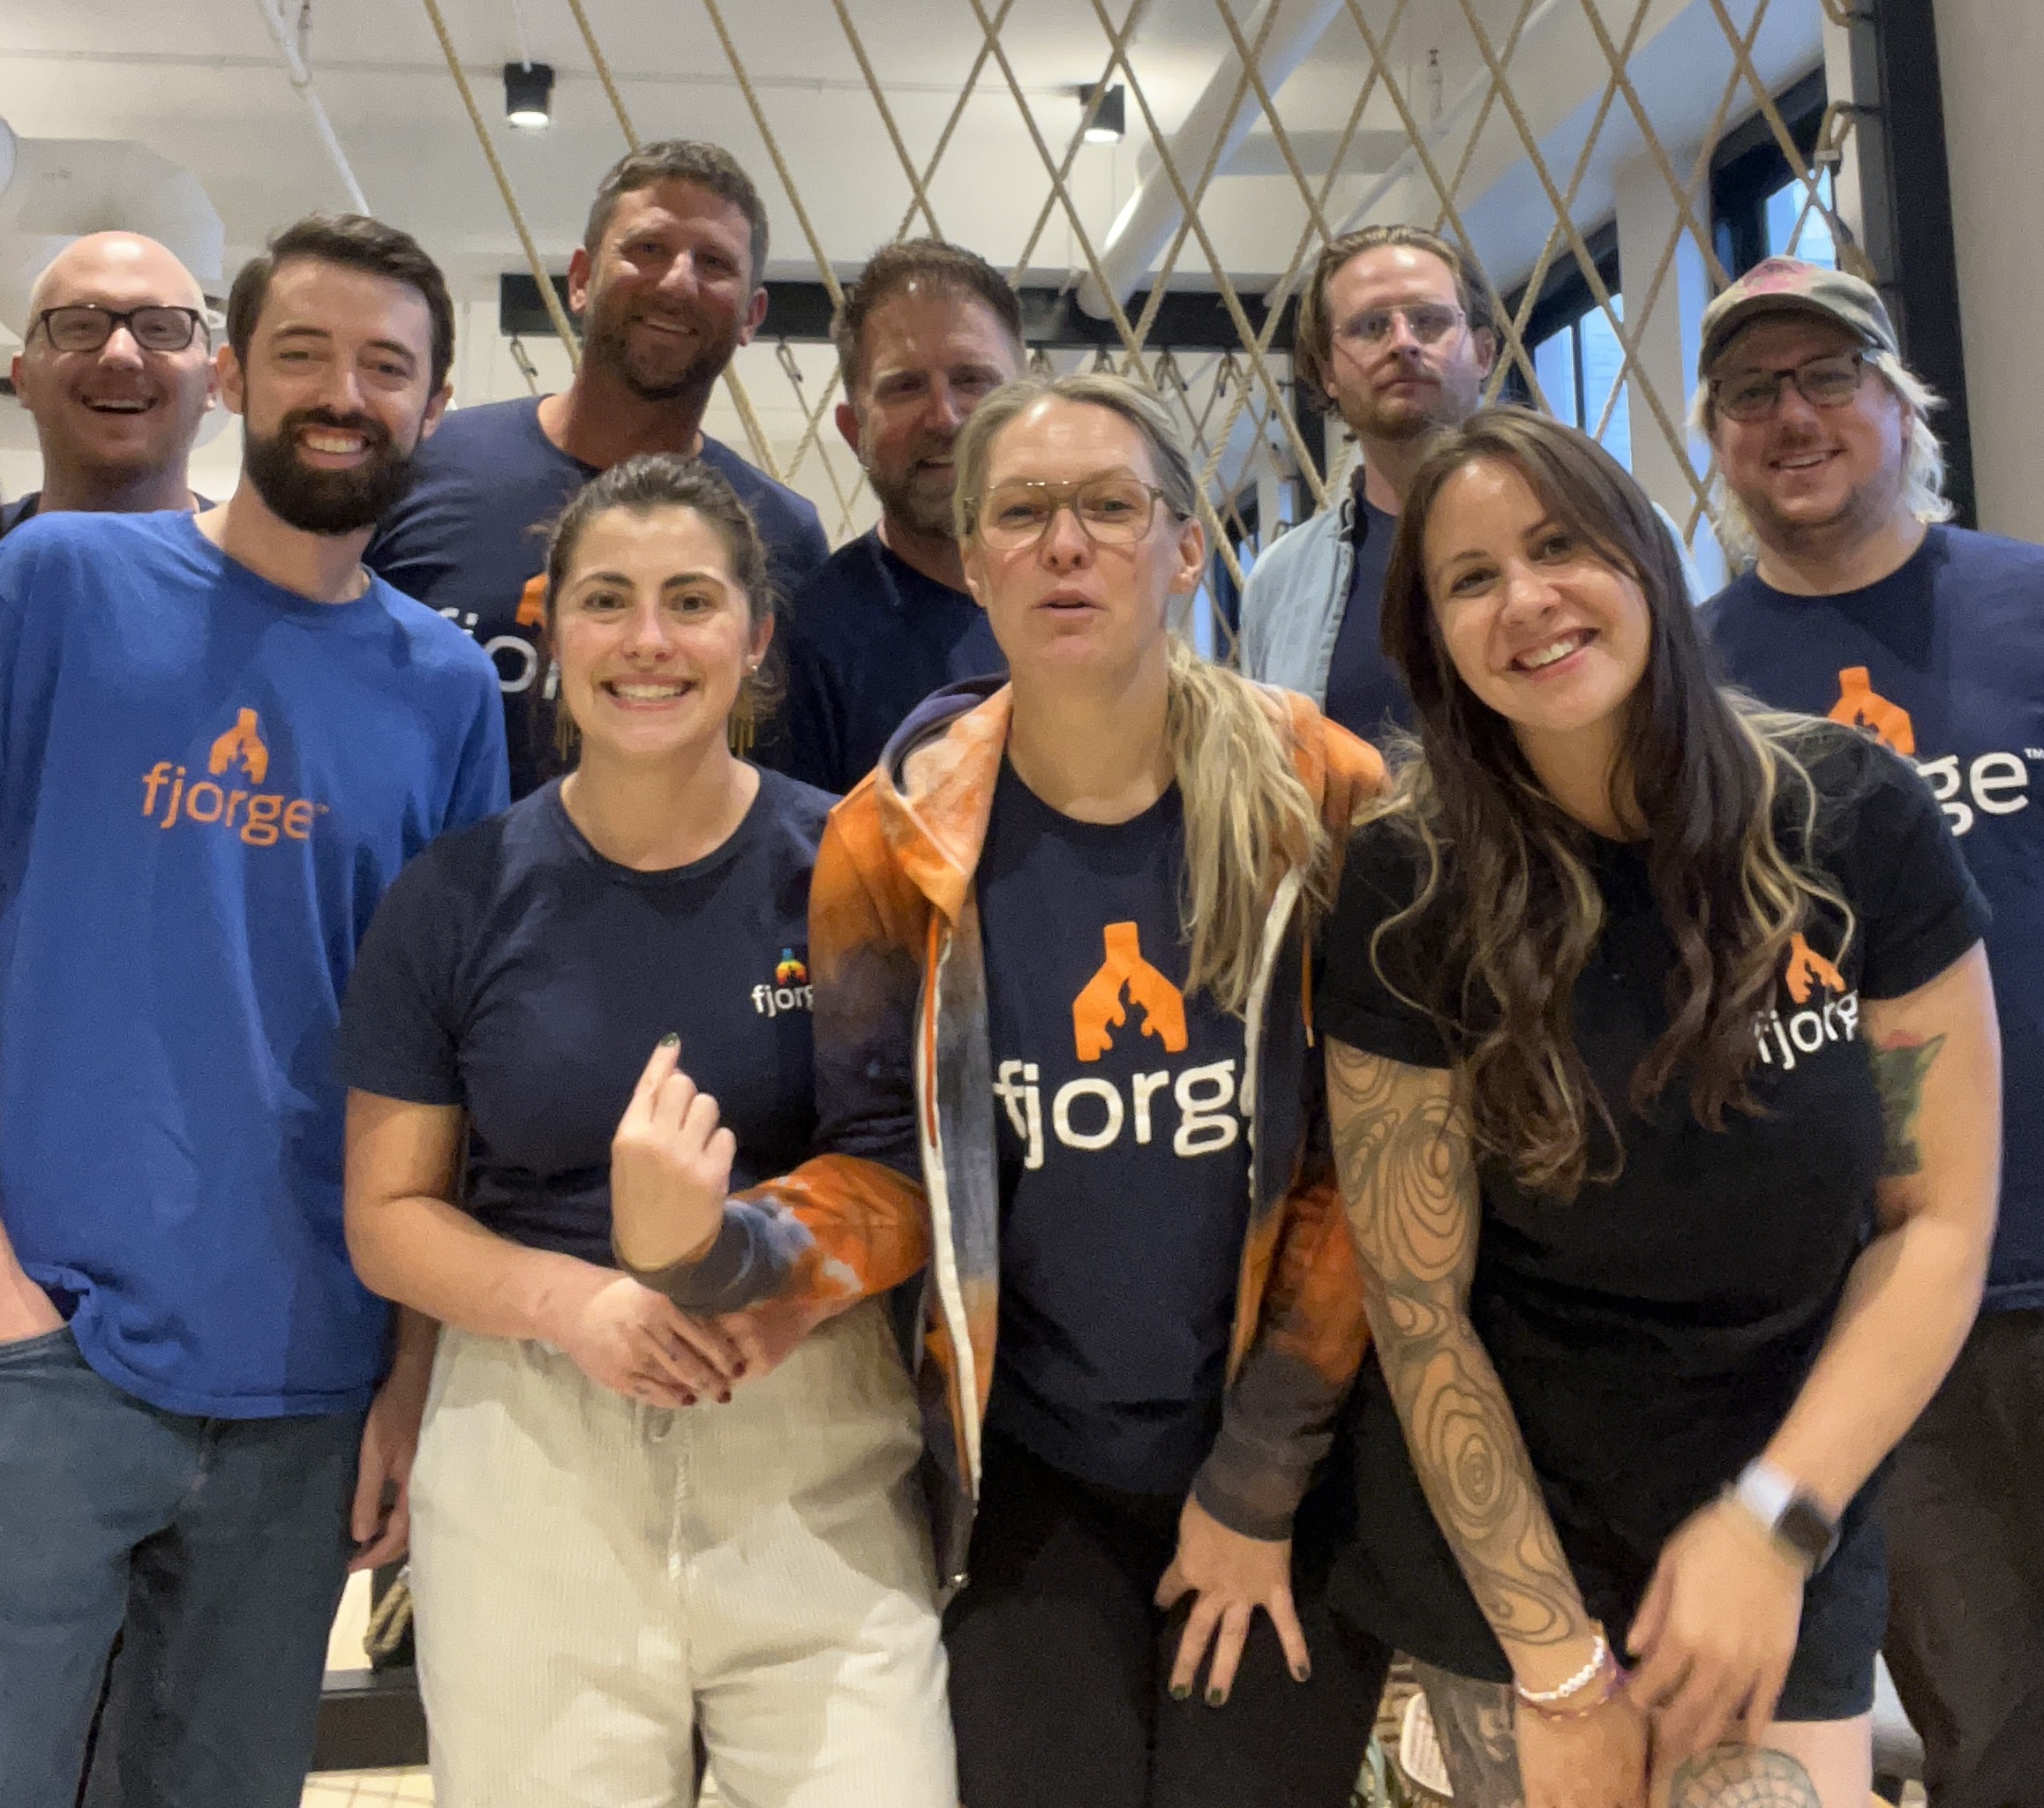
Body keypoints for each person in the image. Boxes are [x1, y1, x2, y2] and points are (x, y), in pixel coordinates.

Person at [607, 371, 1394, 1808]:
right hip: (1031, 1478)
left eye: (1108, 506)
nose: (1065, 543)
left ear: (1186, 547)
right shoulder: (893, 834)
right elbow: (888, 1167)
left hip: (1290, 1459)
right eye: (1023, 512)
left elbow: (1367, 1175)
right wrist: (720, 1249)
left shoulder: (1324, 795)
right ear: (973, 560)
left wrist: (1255, 1483)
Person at [1318, 407, 2001, 1808]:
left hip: (1783, 1474)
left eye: (1560, 546)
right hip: (1511, 1514)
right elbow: (1418, 1302)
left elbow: (1936, 1221)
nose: (1527, 599)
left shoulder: (1849, 817)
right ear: (1432, 638)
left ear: (1643, 557)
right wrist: (1554, 1658)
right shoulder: (1407, 884)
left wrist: (1773, 1523)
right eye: (1470, 578)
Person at [341, 454, 951, 1808]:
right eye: (607, 600)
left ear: (757, 634)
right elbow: (389, 1217)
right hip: (533, 1454)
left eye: (691, 601)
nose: (648, 641)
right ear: (550, 627)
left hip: (810, 1442)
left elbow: (918, 1171)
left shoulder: (852, 865)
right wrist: (580, 1304)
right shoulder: (454, 899)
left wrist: (772, 1281)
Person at [0, 212, 508, 1808]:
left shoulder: (446, 688)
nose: (343, 393)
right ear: (230, 375)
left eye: (386, 366)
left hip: (307, 1380)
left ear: (434, 405)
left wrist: (406, 1373)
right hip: (46, 1352)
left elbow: (441, 1057)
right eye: (303, 353)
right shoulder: (57, 584)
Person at [1695, 253, 2044, 1808]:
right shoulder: (1689, 682)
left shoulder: (2028, 607)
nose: (1793, 416)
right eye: (1751, 391)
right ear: (1716, 437)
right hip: (1883, 1292)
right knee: (1994, 1728)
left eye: (1828, 377)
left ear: (1901, 406)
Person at [369, 139, 829, 796]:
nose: (678, 282)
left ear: (751, 316)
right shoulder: (427, 464)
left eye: (714, 263)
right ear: (581, 279)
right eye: (648, 248)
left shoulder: (781, 534)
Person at [761, 237, 1022, 792]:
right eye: (905, 387)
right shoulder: (808, 648)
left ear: (1028, 405)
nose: (945, 417)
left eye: (972, 380)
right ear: (853, 430)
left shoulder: (1091, 598)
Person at [1241, 224, 1495, 743]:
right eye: (1370, 327)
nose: (1403, 343)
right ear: (1327, 373)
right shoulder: (1280, 582)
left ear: (1483, 352)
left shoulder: (1604, 530)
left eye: (1429, 321)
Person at [3, 229, 219, 533]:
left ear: (211, 384)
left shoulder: (273, 561)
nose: (120, 354)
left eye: (158, 329)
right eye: (81, 326)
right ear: (23, 378)